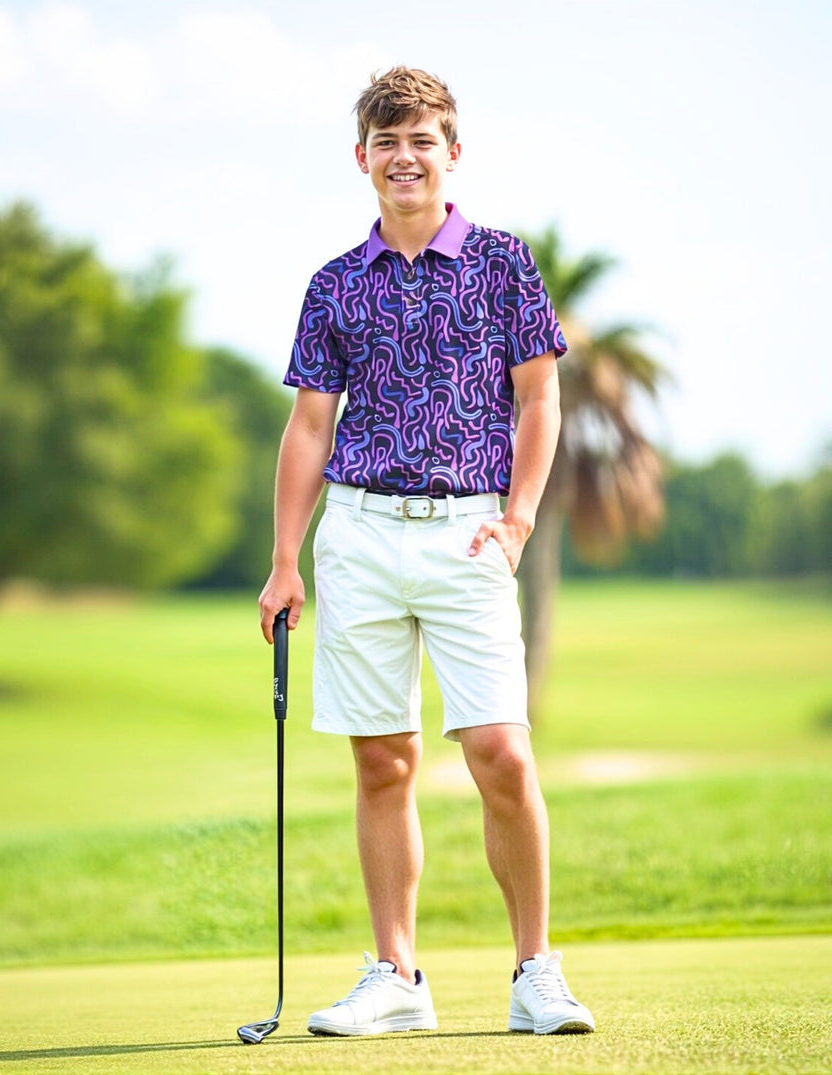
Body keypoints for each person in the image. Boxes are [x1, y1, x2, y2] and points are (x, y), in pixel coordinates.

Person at [258, 65, 594, 1038]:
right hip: (357, 537)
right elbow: (310, 428)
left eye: (422, 141)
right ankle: (395, 974)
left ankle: (535, 970)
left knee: (497, 750)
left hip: (470, 531)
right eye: (386, 142)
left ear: (452, 153)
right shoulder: (333, 284)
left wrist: (521, 519)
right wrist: (287, 559)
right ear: (361, 157)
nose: (404, 158)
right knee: (383, 764)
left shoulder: (502, 265)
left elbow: (539, 398)